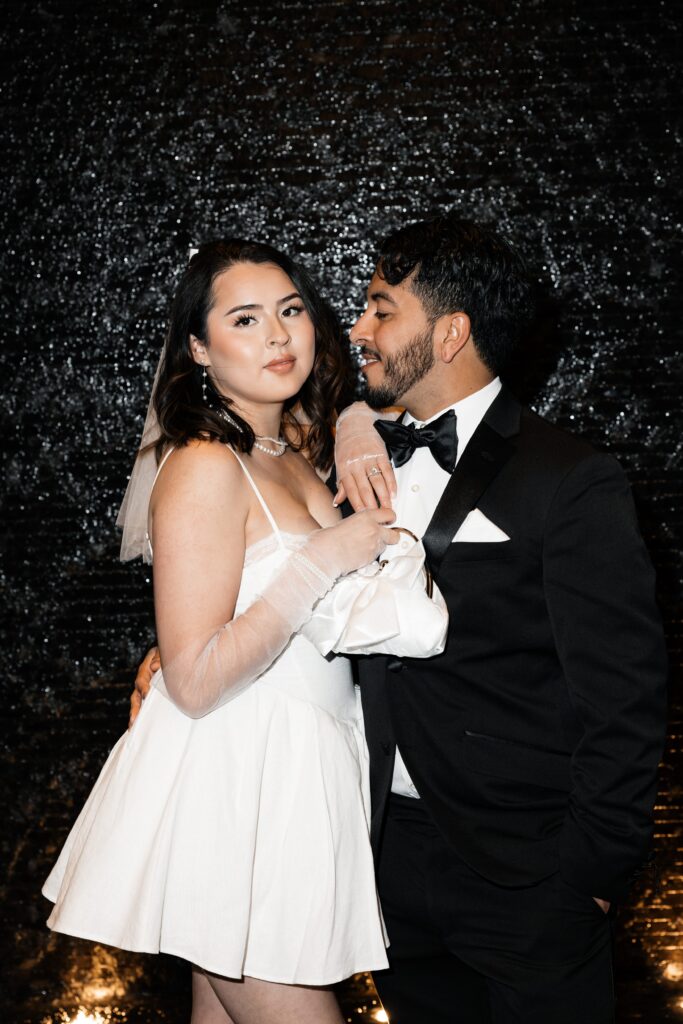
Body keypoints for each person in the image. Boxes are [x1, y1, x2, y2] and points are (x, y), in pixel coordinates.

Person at [43, 239, 402, 1024]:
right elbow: (196, 679)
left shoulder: (291, 450)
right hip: (237, 781)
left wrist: (352, 421)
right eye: (246, 319)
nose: (278, 336)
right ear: (200, 349)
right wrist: (319, 562)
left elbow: (357, 395)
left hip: (300, 774)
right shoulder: (206, 462)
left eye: (291, 311)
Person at [329, 213, 668, 1023]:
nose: (358, 328)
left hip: (528, 875)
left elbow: (623, 695)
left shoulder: (570, 478)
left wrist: (587, 878)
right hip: (381, 863)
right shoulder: (341, 461)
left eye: (381, 309)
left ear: (450, 334)